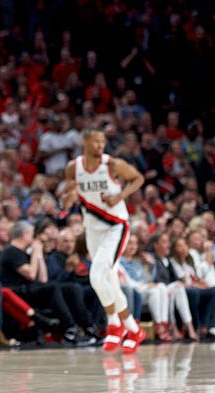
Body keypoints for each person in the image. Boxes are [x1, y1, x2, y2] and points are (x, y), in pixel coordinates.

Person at [63, 127, 145, 354]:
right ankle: (133, 329)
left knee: (96, 275)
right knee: (109, 281)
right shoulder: (74, 168)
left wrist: (119, 197)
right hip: (92, 228)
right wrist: (68, 195)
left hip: (116, 225)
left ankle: (114, 324)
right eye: (96, 142)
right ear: (85, 141)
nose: (100, 146)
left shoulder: (112, 165)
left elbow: (138, 178)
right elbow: (68, 201)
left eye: (103, 142)